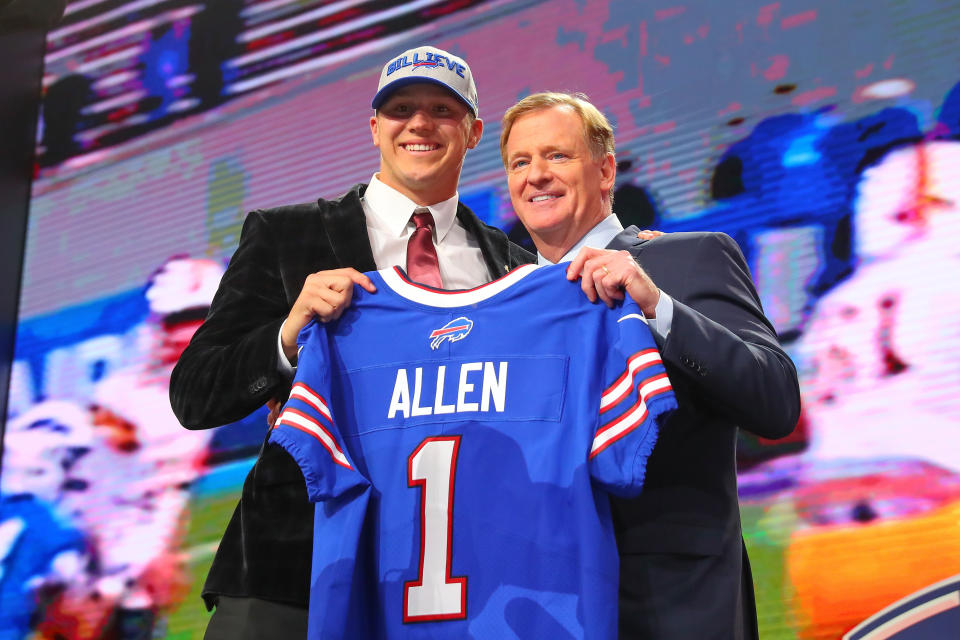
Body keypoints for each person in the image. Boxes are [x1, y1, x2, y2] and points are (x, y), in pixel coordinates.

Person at [169, 46, 534, 638]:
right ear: (374, 128)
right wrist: (287, 335)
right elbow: (194, 394)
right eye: (400, 109)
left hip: (450, 581)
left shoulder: (515, 267)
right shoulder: (287, 235)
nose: (419, 123)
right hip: (291, 568)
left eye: (442, 109)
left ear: (472, 133)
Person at [499, 91, 801, 639]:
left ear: (606, 170)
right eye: (521, 162)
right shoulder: (501, 306)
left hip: (675, 606)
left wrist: (656, 304)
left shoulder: (685, 258)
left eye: (557, 156)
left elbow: (774, 399)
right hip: (544, 607)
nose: (536, 175)